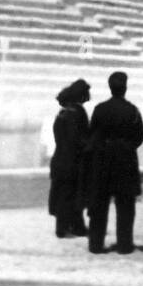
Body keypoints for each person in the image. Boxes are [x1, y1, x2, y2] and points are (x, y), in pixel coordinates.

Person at [86, 72, 143, 255]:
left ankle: (95, 244)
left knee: (99, 205)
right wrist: (127, 147)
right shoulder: (132, 110)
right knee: (126, 205)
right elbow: (140, 135)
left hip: (103, 159)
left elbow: (93, 133)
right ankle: (124, 244)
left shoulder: (100, 109)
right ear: (125, 87)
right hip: (125, 160)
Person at [48, 79, 91, 239]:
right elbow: (78, 139)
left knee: (64, 193)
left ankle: (70, 226)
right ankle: (69, 227)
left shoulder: (63, 112)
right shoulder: (77, 112)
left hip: (60, 158)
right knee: (72, 194)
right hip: (73, 161)